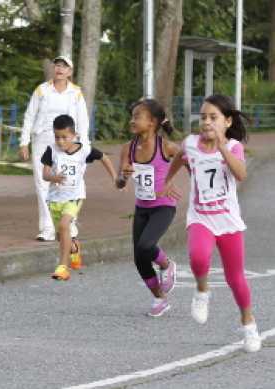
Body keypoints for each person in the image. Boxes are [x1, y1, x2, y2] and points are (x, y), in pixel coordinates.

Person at [162, 94, 261, 353]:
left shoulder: (234, 146)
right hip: (200, 217)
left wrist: (222, 148)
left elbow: (241, 174)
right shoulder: (191, 144)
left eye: (213, 118)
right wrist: (168, 180)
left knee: (235, 278)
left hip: (228, 220)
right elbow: (178, 157)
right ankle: (202, 291)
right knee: (197, 257)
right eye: (203, 117)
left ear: (227, 122)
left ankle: (248, 323)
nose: (206, 122)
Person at [115, 99, 179, 317]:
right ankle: (159, 298)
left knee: (146, 244)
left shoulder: (166, 147)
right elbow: (119, 183)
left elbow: (189, 161)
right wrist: (123, 177)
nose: (132, 121)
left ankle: (167, 264)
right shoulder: (128, 148)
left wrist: (170, 181)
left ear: (152, 122)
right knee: (139, 257)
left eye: (137, 117)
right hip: (142, 208)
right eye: (131, 117)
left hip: (163, 207)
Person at [19, 55, 90, 242]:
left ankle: (69, 223)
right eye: (57, 65)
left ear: (69, 72)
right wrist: (24, 141)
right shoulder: (42, 90)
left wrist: (84, 146)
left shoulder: (76, 93)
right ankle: (47, 228)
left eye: (64, 66)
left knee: (68, 181)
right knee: (42, 184)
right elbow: (29, 115)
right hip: (43, 140)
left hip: (68, 144)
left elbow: (83, 122)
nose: (59, 69)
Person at [42, 114, 116, 281]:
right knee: (61, 236)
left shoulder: (84, 150)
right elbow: (45, 174)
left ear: (74, 135)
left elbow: (103, 157)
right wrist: (54, 178)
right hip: (55, 198)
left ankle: (62, 267)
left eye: (64, 137)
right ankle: (74, 247)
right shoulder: (51, 150)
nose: (60, 141)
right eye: (57, 137)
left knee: (64, 225)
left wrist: (114, 177)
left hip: (75, 196)